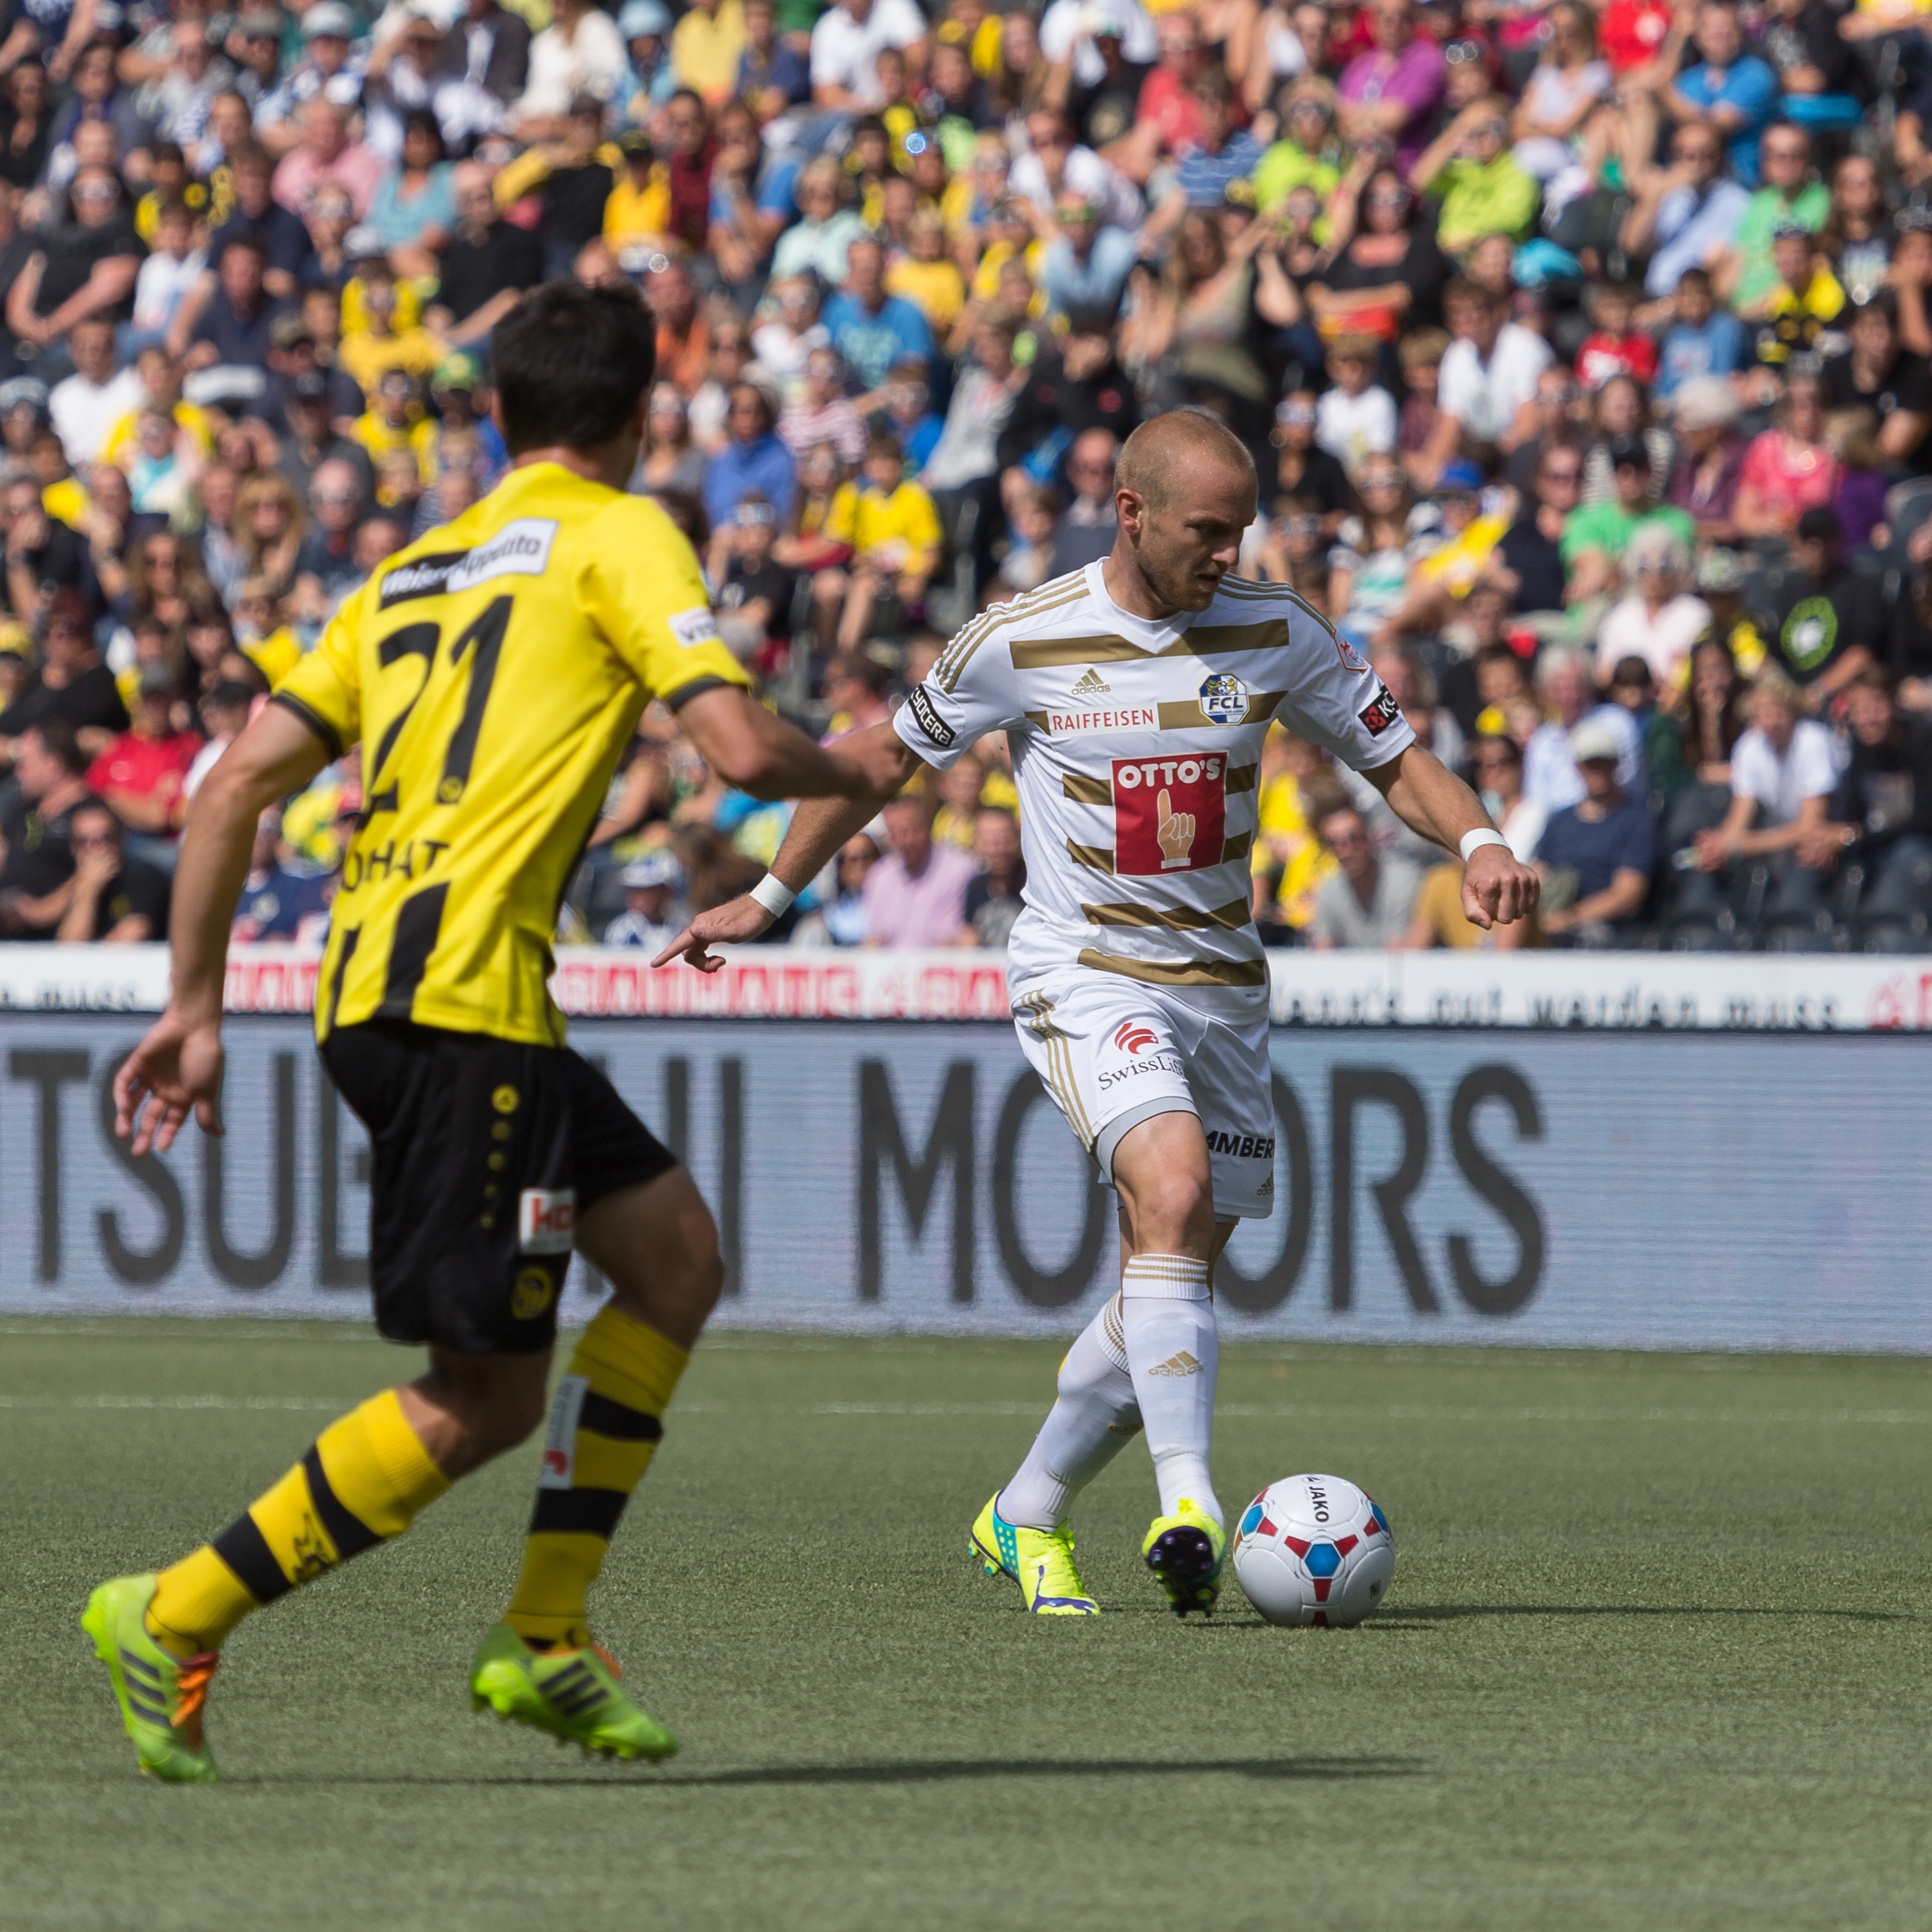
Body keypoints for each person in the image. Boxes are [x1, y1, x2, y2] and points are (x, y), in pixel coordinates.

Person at [89, 279, 905, 1785]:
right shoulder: (619, 534)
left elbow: (223, 795)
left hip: (398, 997)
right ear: (643, 414)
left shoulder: (402, 574)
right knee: (480, 1396)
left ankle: (541, 1631)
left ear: (493, 414)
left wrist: (195, 1006)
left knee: (672, 1257)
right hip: (462, 1014)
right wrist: (848, 764)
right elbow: (732, 747)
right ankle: (175, 1609)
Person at [656, 407, 1537, 1617]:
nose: (1228, 553)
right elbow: (880, 760)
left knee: (1163, 1290)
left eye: (1241, 531)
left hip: (1224, 993)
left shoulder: (1278, 630)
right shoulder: (1023, 638)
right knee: (1169, 1190)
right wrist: (767, 893)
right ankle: (1192, 1504)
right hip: (1085, 971)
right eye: (1207, 532)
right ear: (1132, 514)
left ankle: (1020, 1517)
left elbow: (1397, 761)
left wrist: (1482, 835)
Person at [1535, 719, 1657, 943]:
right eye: (1591, 764)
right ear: (1577, 767)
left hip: (1604, 928)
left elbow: (1628, 895)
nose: (1598, 771)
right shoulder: (1560, 820)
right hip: (1553, 911)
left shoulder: (1636, 821)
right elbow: (1539, 873)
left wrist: (1569, 918)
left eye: (1605, 763)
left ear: (1617, 765)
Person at [1309, 794, 1423, 944]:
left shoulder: (1403, 882)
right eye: (1335, 843)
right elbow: (1322, 949)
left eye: (1353, 839)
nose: (1346, 851)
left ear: (1369, 837)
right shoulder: (1329, 889)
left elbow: (1398, 950)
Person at [55, 795, 170, 942]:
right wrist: (88, 890)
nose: (95, 849)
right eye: (84, 841)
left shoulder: (144, 877)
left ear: (119, 840)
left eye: (104, 839)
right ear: (73, 847)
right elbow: (68, 950)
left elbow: (129, 940)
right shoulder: (69, 881)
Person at [603, 850, 687, 947]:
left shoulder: (681, 926)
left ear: (666, 892)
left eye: (646, 890)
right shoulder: (622, 931)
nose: (636, 897)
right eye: (634, 890)